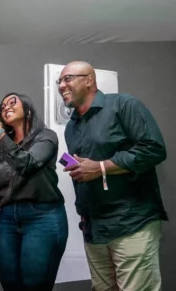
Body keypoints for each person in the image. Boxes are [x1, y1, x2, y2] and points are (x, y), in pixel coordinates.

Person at [58, 61, 167, 291]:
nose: (61, 85)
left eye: (68, 78)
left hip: (131, 222)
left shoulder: (124, 104)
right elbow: (84, 173)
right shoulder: (71, 127)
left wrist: (101, 167)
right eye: (59, 81)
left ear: (89, 80)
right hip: (94, 228)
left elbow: (154, 149)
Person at [0, 93, 68, 291]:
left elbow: (28, 163)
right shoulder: (2, 145)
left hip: (42, 216)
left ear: (27, 109)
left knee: (34, 284)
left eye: (12, 102)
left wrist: (0, 134)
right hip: (8, 218)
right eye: (2, 106)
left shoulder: (46, 137)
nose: (5, 107)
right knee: (10, 283)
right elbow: (7, 180)